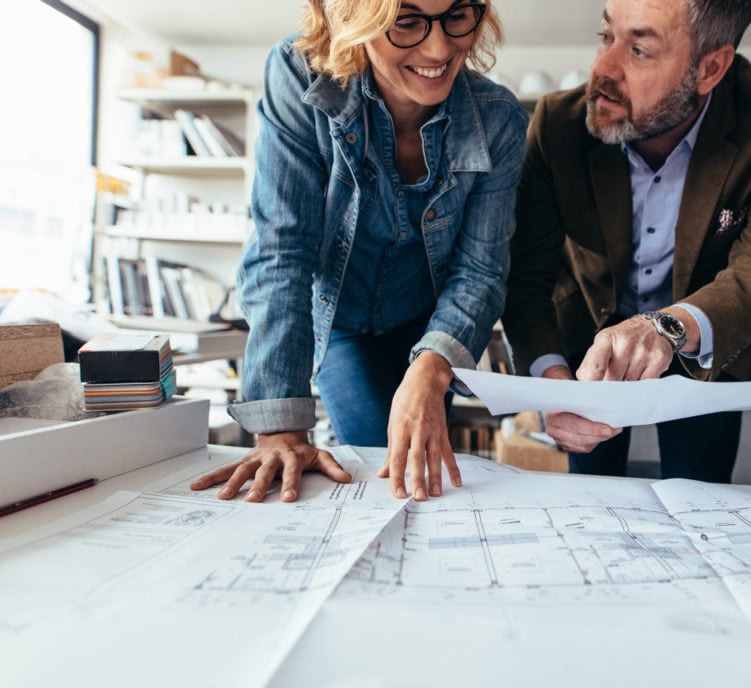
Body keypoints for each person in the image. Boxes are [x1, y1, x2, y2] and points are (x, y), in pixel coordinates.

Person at [189, 0, 528, 504]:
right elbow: (284, 249)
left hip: (432, 325)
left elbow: (480, 270)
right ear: (353, 21)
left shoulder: (499, 119)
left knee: (421, 473)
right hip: (340, 321)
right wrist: (280, 428)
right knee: (379, 467)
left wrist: (433, 366)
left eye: (457, 15)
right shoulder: (301, 75)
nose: (439, 48)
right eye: (405, 23)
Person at [501, 0, 751, 481]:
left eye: (640, 50)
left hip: (708, 347)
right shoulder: (557, 124)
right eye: (606, 36)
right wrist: (553, 386)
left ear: (710, 69)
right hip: (587, 347)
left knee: (700, 503)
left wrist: (668, 329)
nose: (602, 70)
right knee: (592, 496)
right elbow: (526, 279)